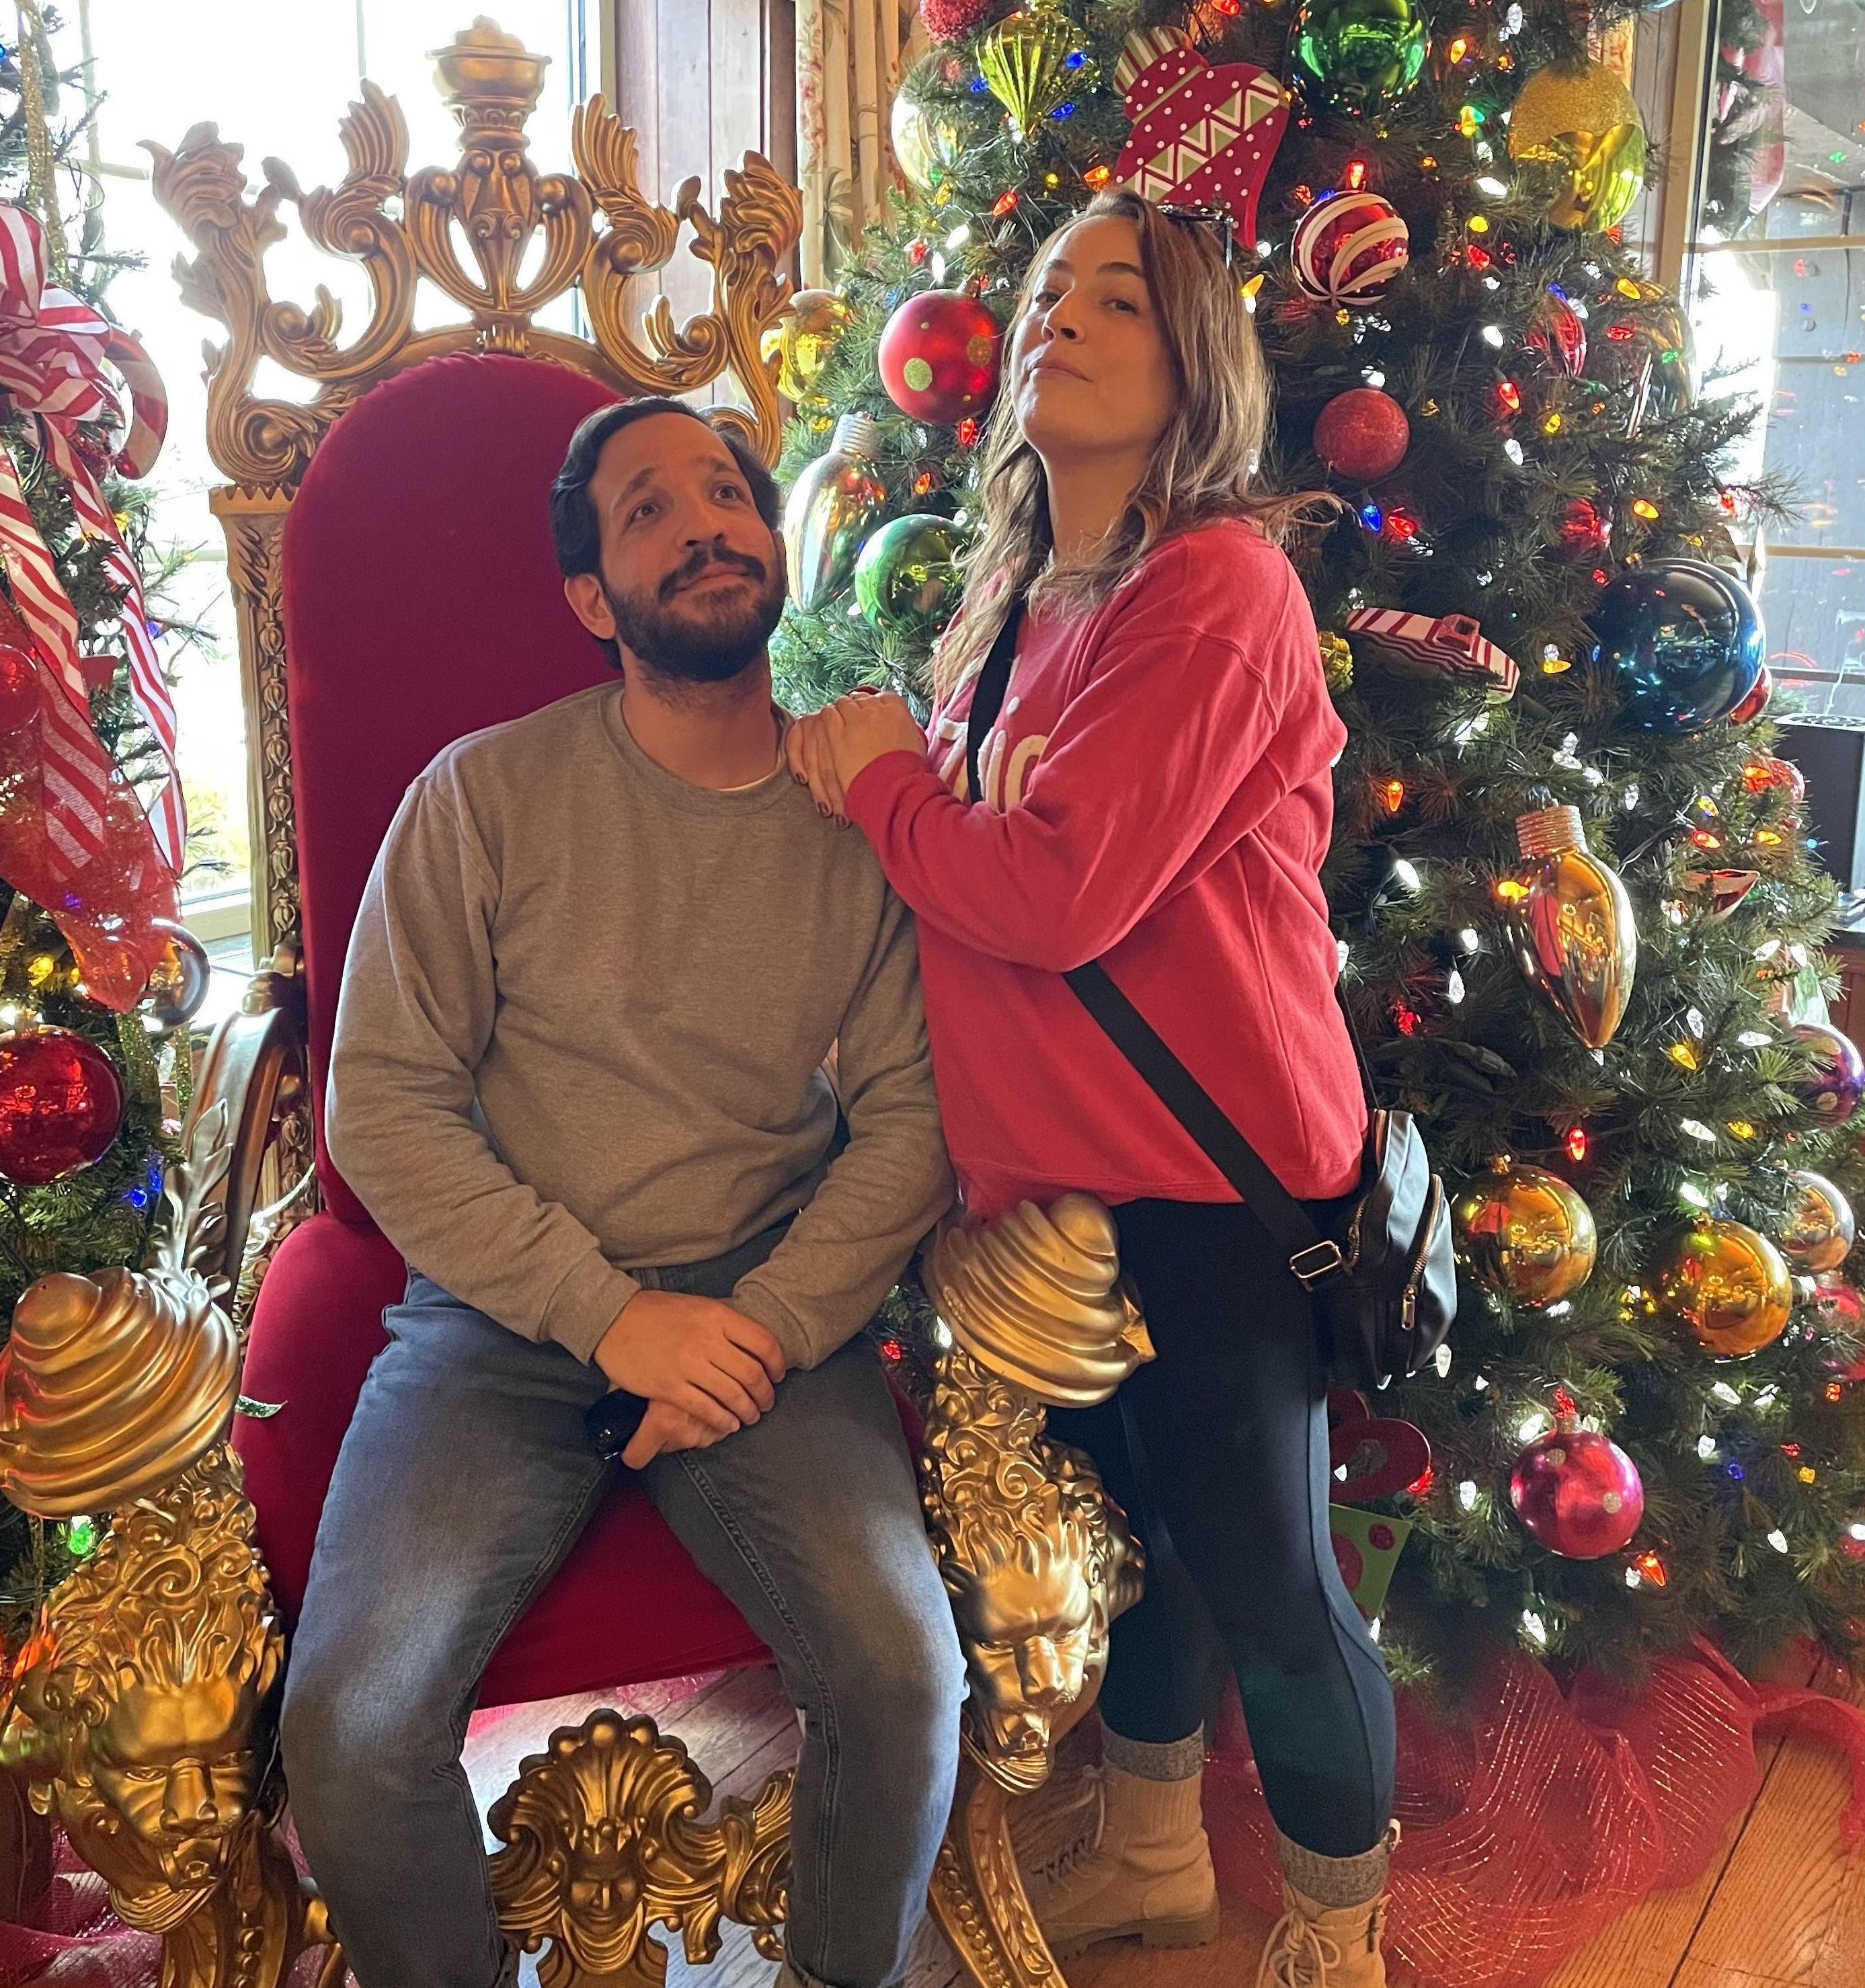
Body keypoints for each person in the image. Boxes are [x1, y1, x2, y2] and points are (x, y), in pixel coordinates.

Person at [787, 189, 1399, 1988]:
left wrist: (884, 781)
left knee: (1268, 1577)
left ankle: (1339, 1940)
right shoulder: (1013, 594)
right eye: (1050, 289)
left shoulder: (1213, 586)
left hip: (1214, 1190)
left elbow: (1051, 891)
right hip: (1053, 1194)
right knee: (1152, 1551)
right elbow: (956, 882)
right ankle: (1150, 1858)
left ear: (1193, 363)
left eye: (1116, 299)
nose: (1059, 316)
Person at [283, 395, 964, 1988]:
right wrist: (608, 1317)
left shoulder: (860, 817)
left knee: (904, 1681)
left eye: (725, 494)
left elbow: (911, 1123)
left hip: (759, 1313)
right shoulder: (481, 798)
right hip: (501, 1313)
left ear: (772, 543)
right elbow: (380, 1105)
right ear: (593, 599)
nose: (704, 524)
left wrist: (764, 1323)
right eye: (649, 510)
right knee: (353, 1727)